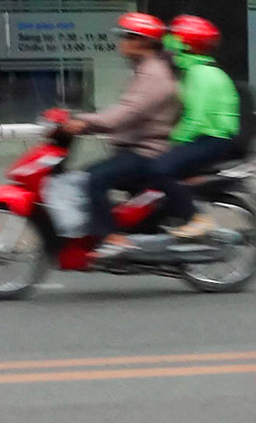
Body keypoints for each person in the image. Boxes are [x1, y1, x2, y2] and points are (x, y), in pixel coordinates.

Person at [61, 11, 179, 254]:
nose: (122, 43)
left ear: (144, 42)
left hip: (146, 153)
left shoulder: (154, 75)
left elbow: (123, 114)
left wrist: (84, 122)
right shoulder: (146, 69)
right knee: (94, 178)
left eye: (128, 37)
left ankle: (111, 239)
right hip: (135, 149)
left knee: (94, 179)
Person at [144, 15, 242, 239]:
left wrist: (172, 141)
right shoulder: (201, 71)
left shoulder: (200, 74)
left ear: (185, 44)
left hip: (212, 139)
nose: (168, 45)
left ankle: (195, 219)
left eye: (173, 40)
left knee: (158, 170)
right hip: (210, 138)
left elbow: (195, 119)